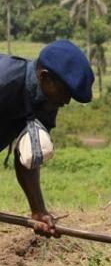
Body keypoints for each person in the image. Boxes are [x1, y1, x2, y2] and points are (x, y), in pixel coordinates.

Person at [1, 40, 94, 238]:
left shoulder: (45, 102)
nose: (67, 101)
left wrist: (38, 211)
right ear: (45, 78)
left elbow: (29, 156)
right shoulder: (4, 82)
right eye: (65, 92)